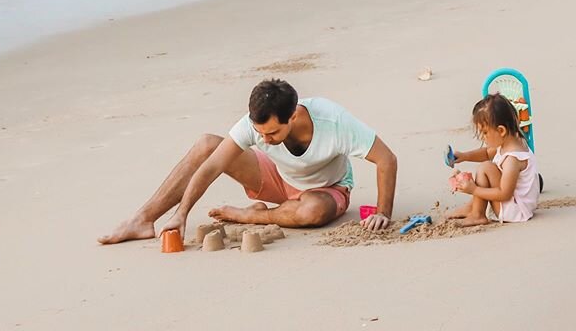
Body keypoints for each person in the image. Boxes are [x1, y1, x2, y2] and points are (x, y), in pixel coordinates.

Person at [98, 79, 397, 244]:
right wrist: (182, 213)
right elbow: (212, 165)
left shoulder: (333, 120)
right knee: (206, 145)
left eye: (272, 133)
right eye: (259, 132)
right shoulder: (255, 126)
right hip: (277, 178)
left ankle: (251, 214)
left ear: (293, 116)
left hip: (326, 189)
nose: (264, 140)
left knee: (313, 211)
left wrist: (383, 211)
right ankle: (142, 219)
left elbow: (386, 159)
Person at [447, 93, 540, 227]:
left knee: (486, 168)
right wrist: (465, 156)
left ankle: (477, 214)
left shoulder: (512, 159)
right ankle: (473, 207)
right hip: (517, 202)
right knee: (487, 166)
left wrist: (474, 190)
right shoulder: (510, 141)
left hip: (515, 210)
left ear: (501, 130)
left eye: (485, 133)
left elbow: (504, 194)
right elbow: (486, 152)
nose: (483, 138)